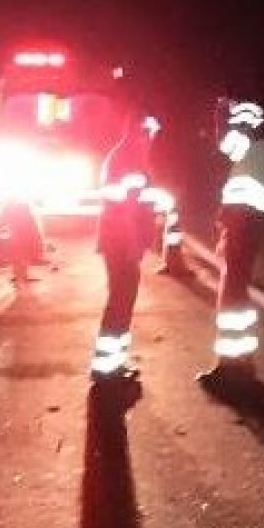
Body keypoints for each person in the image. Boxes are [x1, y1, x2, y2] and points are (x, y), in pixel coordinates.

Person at [200, 98, 264, 384]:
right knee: (236, 295)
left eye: (239, 124)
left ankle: (230, 367)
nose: (236, 130)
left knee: (231, 296)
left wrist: (220, 111)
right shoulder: (255, 151)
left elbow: (224, 142)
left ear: (248, 126)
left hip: (243, 230)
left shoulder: (253, 150)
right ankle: (241, 361)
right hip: (244, 230)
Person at [91, 115, 159, 382]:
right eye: (148, 132)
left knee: (120, 301)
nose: (151, 139)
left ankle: (113, 365)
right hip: (122, 243)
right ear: (138, 132)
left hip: (117, 242)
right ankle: (107, 368)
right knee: (121, 302)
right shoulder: (129, 158)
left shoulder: (125, 156)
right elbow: (129, 209)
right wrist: (134, 244)